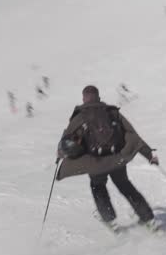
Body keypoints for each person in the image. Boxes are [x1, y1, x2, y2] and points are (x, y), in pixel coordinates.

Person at [58, 85, 159, 231]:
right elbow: (132, 134)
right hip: (117, 159)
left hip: (95, 163)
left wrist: (60, 155)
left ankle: (110, 221)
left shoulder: (80, 116)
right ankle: (148, 219)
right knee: (125, 185)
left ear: (84, 98)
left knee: (98, 187)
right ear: (98, 97)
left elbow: (66, 141)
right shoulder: (111, 112)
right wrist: (149, 154)